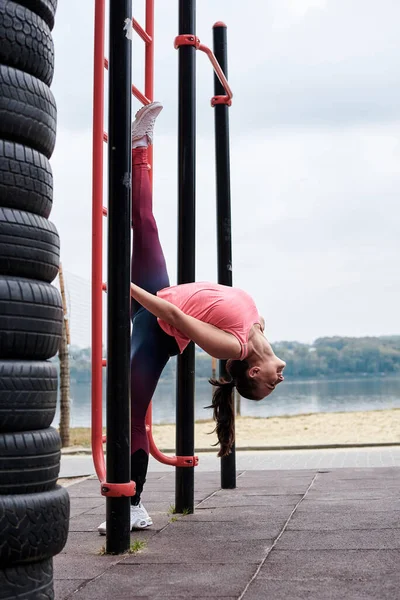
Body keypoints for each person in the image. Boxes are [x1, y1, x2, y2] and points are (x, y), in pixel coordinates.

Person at [98, 102, 286, 535]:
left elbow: (175, 316)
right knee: (144, 224)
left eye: (270, 383)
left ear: (252, 369)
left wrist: (123, 284)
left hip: (155, 321)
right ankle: (138, 146)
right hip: (158, 297)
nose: (281, 379)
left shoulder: (233, 346)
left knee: (129, 416)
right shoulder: (259, 327)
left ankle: (132, 502)